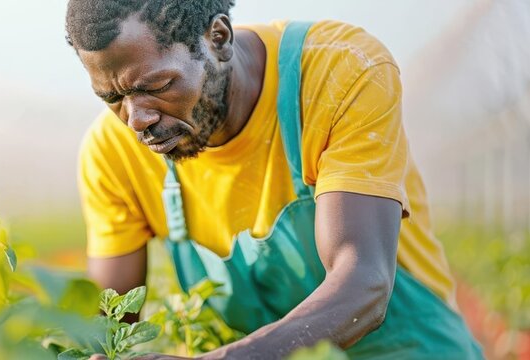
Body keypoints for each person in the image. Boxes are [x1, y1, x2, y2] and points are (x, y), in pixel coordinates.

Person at [66, 0, 483, 358]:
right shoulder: (111, 153)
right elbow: (111, 321)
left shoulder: (339, 72)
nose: (137, 120)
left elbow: (363, 284)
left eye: (156, 86)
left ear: (218, 38)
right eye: (112, 98)